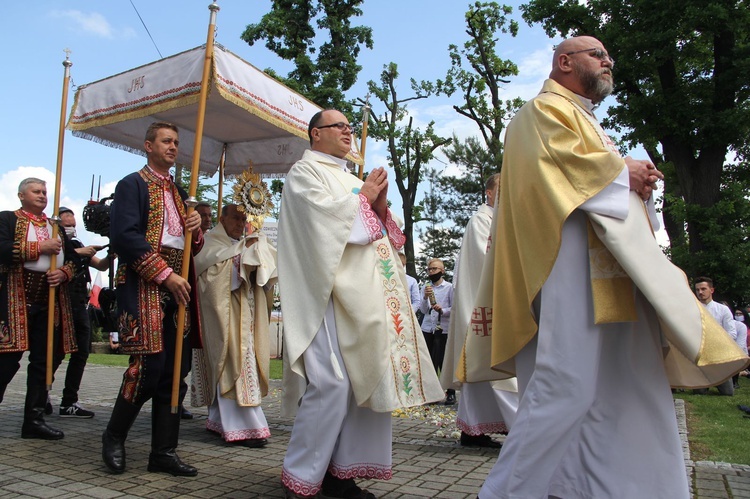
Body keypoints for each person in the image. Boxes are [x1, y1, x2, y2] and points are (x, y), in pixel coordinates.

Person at [475, 36, 747, 499]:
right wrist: (624, 173)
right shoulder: (541, 111)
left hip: (612, 271)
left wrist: (633, 181)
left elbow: (596, 178)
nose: (608, 62)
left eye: (608, 57)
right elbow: (559, 170)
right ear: (564, 62)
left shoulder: (587, 119)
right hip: (566, 268)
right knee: (566, 387)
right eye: (597, 55)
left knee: (627, 384)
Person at [277, 109, 443, 499]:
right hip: (323, 296)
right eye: (339, 126)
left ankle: (340, 473)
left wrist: (380, 207)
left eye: (349, 125)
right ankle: (299, 478)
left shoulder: (351, 178)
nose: (348, 130)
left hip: (363, 298)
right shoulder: (305, 173)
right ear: (316, 134)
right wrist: (364, 200)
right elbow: (323, 225)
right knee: (331, 384)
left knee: (363, 382)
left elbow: (379, 235)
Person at [101, 122, 204, 477]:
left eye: (176, 141)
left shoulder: (178, 192)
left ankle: (163, 451)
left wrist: (196, 229)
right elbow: (125, 236)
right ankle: (114, 435)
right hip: (145, 284)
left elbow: (188, 245)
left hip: (178, 290)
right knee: (148, 369)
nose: (173, 146)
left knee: (175, 373)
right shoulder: (132, 185)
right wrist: (165, 274)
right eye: (166, 141)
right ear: (148, 145)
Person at [440, 173, 518, 448]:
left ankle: (475, 429)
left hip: (498, 302)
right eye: (503, 188)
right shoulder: (481, 221)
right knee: (482, 368)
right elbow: (487, 259)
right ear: (489, 192)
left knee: (485, 370)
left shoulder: (505, 220)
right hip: (481, 304)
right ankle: (504, 427)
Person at [191, 203, 277, 448]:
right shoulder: (211, 243)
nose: (240, 224)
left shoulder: (247, 241)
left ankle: (220, 420)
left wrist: (260, 259)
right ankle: (246, 426)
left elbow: (266, 279)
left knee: (243, 363)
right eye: (236, 219)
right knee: (234, 365)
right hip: (226, 318)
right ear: (223, 219)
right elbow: (208, 278)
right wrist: (238, 260)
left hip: (247, 317)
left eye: (243, 219)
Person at [0, 178, 77, 439]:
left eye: (45, 191)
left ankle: (33, 420)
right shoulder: (8, 219)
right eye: (37, 191)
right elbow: (1, 249)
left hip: (50, 298)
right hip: (15, 297)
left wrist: (64, 273)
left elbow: (75, 261)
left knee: (44, 362)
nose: (43, 195)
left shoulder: (55, 226)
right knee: (7, 360)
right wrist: (38, 248)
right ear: (21, 195)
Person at [50, 206, 111, 419]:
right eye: (67, 226)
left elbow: (101, 266)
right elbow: (55, 257)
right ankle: (42, 392)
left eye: (73, 225)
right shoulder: (54, 243)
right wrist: (77, 253)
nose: (71, 229)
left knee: (81, 352)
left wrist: (111, 254)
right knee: (56, 352)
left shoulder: (78, 244)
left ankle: (69, 401)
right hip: (60, 302)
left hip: (79, 304)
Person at [692, 278, 737, 396]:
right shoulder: (692, 309)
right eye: (697, 290)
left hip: (719, 353)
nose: (700, 292)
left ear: (711, 290)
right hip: (701, 353)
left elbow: (732, 333)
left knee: (728, 392)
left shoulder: (722, 309)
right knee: (699, 392)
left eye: (703, 289)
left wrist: (717, 343)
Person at [419, 258, 453, 380]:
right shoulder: (425, 287)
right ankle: (431, 391)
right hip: (428, 328)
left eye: (434, 268)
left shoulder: (449, 287)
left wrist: (442, 310)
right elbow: (423, 310)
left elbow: (454, 308)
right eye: (429, 269)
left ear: (442, 270)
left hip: (443, 329)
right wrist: (424, 297)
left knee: (445, 360)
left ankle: (450, 391)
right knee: (429, 362)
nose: (431, 271)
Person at [731, 307, 748, 389]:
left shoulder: (741, 326)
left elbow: (740, 346)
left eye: (740, 314)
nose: (738, 316)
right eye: (736, 314)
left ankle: (735, 381)